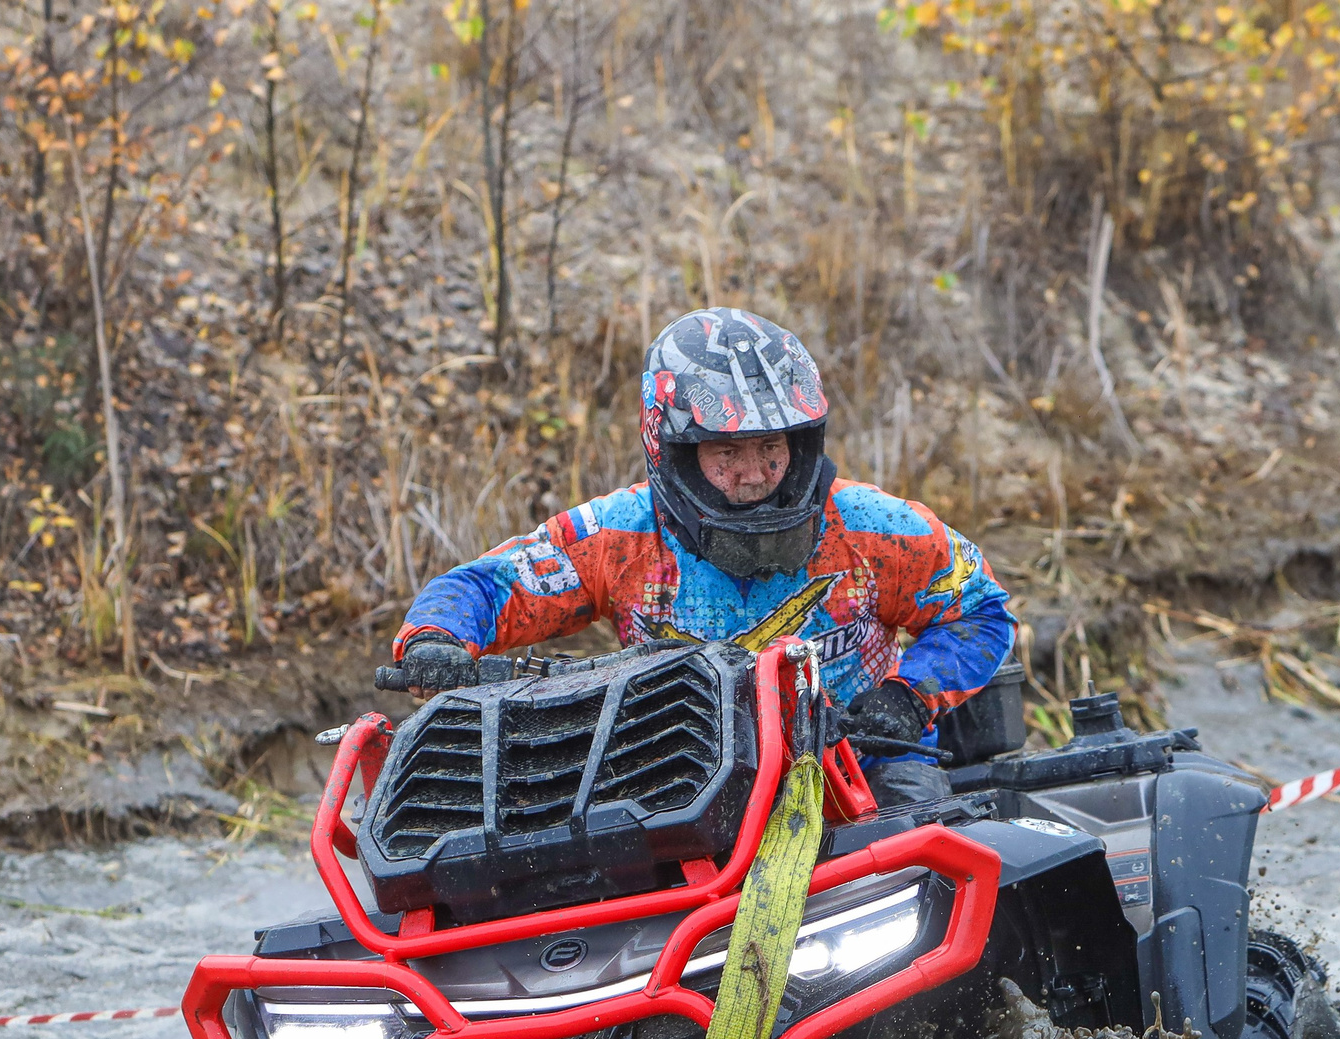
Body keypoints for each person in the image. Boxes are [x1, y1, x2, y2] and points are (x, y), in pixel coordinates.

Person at [391, 308, 1014, 809]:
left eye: (770, 447)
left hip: (862, 764)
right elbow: (490, 584)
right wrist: (436, 639)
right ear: (676, 451)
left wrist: (909, 696)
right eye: (726, 453)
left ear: (801, 442)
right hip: (683, 775)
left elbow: (983, 610)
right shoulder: (619, 535)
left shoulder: (877, 527)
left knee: (925, 853)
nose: (754, 474)